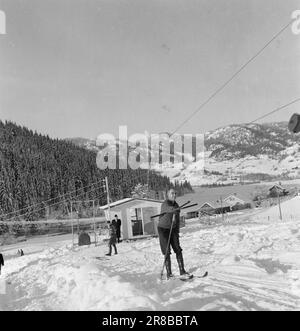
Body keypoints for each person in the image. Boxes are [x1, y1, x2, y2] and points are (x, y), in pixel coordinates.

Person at [158, 189, 191, 280]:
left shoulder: (176, 205)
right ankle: (169, 273)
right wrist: (175, 210)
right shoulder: (165, 204)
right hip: (163, 229)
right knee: (167, 251)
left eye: (175, 193)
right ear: (167, 195)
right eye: (172, 193)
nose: (174, 194)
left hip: (173, 229)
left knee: (178, 249)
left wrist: (177, 231)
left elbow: (177, 220)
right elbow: (169, 209)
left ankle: (182, 270)